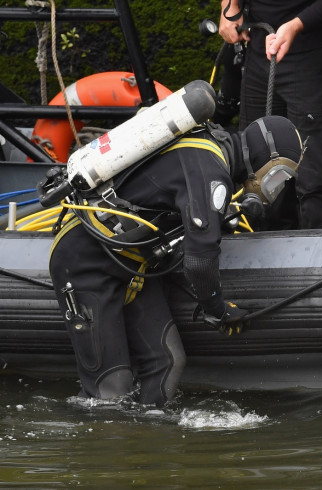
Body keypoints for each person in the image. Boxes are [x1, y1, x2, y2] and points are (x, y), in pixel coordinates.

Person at [47, 115, 303, 406]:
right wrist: (216, 311)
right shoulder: (210, 173)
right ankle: (105, 441)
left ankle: (151, 439)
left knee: (168, 363)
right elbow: (199, 261)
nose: (277, 188)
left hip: (132, 266)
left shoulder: (209, 152)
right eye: (278, 176)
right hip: (86, 263)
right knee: (111, 390)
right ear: (261, 157)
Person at [218, 0, 322, 229]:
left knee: (320, 181)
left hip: (315, 51)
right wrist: (229, 7)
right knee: (255, 174)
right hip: (259, 48)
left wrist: (296, 25)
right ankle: (263, 260)